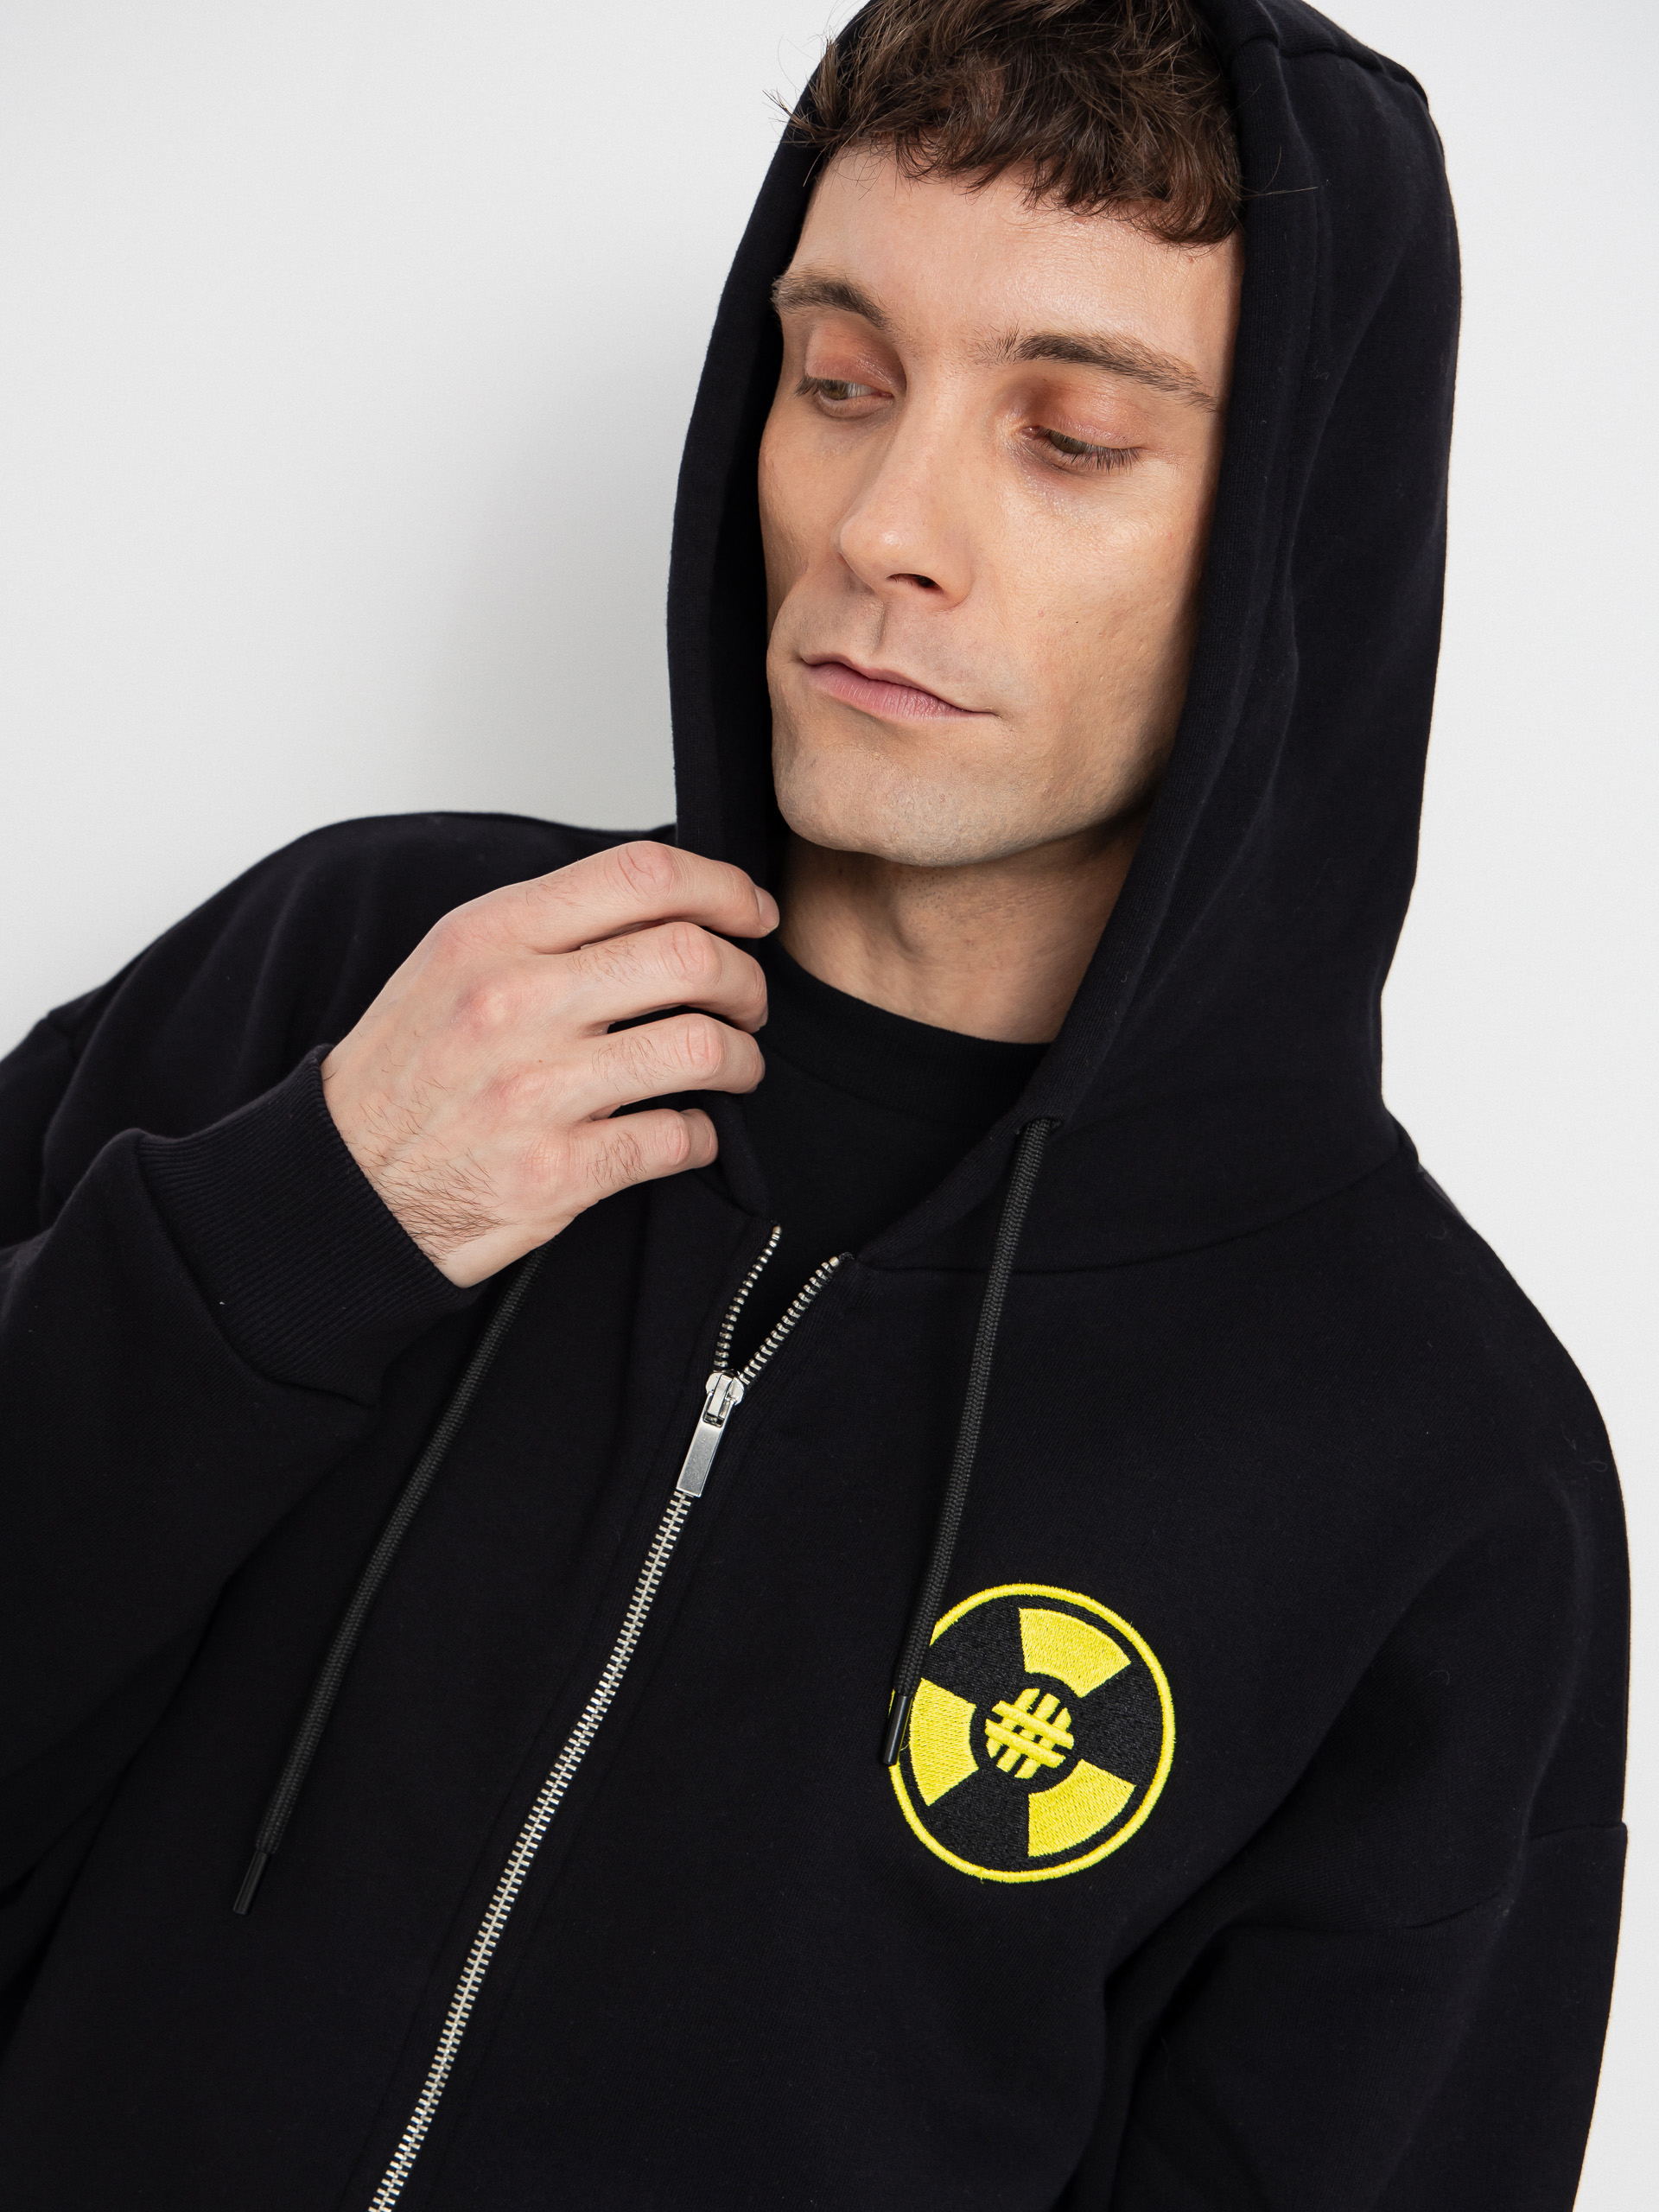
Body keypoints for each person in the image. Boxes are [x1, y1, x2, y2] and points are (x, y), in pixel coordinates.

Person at [0, 0, 1626, 2203]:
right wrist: (291, 1235)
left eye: (1069, 436)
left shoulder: (1438, 1466)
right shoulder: (358, 983)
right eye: (840, 381)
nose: (885, 525)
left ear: (1291, 540)